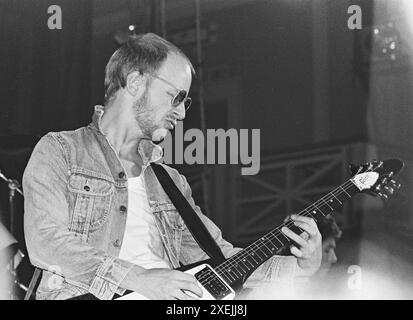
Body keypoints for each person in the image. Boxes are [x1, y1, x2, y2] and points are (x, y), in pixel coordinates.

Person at [23, 33, 322, 300]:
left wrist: (299, 267)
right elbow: (46, 242)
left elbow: (220, 257)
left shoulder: (171, 182)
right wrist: (142, 280)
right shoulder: (61, 150)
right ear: (136, 82)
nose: (180, 113)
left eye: (186, 102)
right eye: (176, 97)